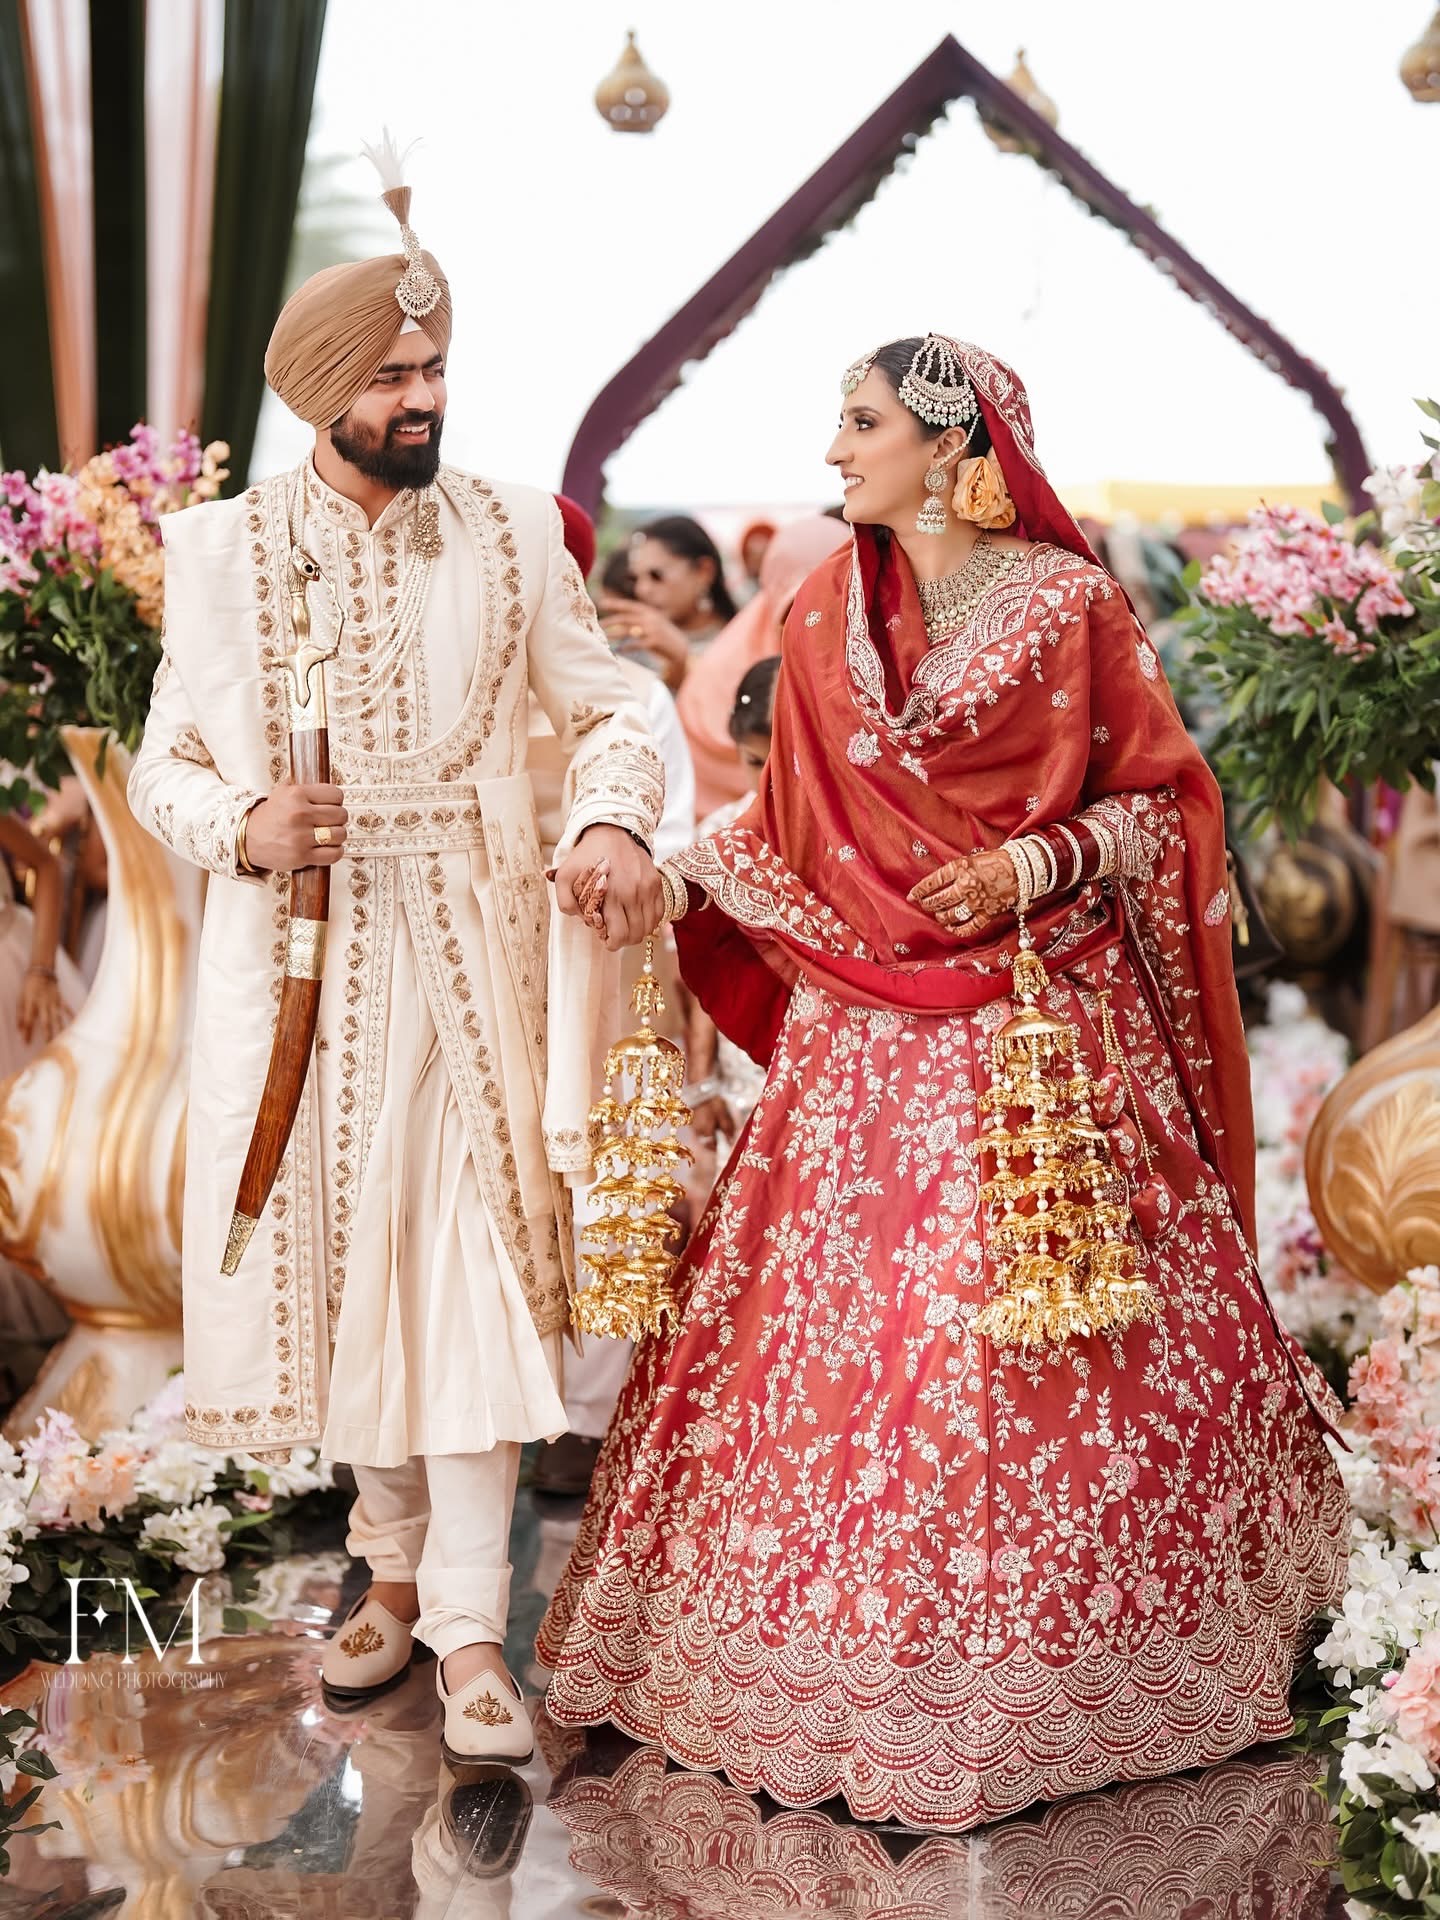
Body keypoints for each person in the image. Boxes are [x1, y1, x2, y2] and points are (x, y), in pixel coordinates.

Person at [537, 336, 1348, 1830]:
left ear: (951, 441)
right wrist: (664, 876)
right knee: (844, 1338)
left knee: (1039, 1344)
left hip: (1041, 1035)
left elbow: (1166, 809)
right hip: (862, 1034)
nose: (836, 450)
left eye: (860, 424)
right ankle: (811, 1662)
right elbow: (784, 818)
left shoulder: (1072, 605)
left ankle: (1102, 1660)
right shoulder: (828, 598)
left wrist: (1040, 857)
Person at [128, 153, 665, 1770]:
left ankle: (473, 1625)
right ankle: (386, 1563)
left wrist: (614, 823)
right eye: (395, 377)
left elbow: (618, 703)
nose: (425, 398)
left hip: (479, 957)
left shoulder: (512, 531)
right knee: (353, 1280)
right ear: (320, 396)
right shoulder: (221, 551)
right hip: (301, 972)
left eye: (437, 370)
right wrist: (241, 826)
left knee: (470, 1278)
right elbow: (162, 769)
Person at [676, 515, 847, 818]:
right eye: (798, 609)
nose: (815, 624)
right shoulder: (719, 679)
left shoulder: (891, 664)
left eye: (834, 606)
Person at [683, 656, 778, 1167]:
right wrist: (702, 1079)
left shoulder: (846, 836)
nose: (766, 780)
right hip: (739, 1063)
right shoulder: (720, 835)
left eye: (781, 759)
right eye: (751, 761)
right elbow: (704, 970)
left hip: (822, 1052)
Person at [598, 515, 736, 693]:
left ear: (704, 571)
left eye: (656, 575)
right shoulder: (632, 644)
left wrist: (684, 659)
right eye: (635, 578)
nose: (642, 589)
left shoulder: (743, 639)